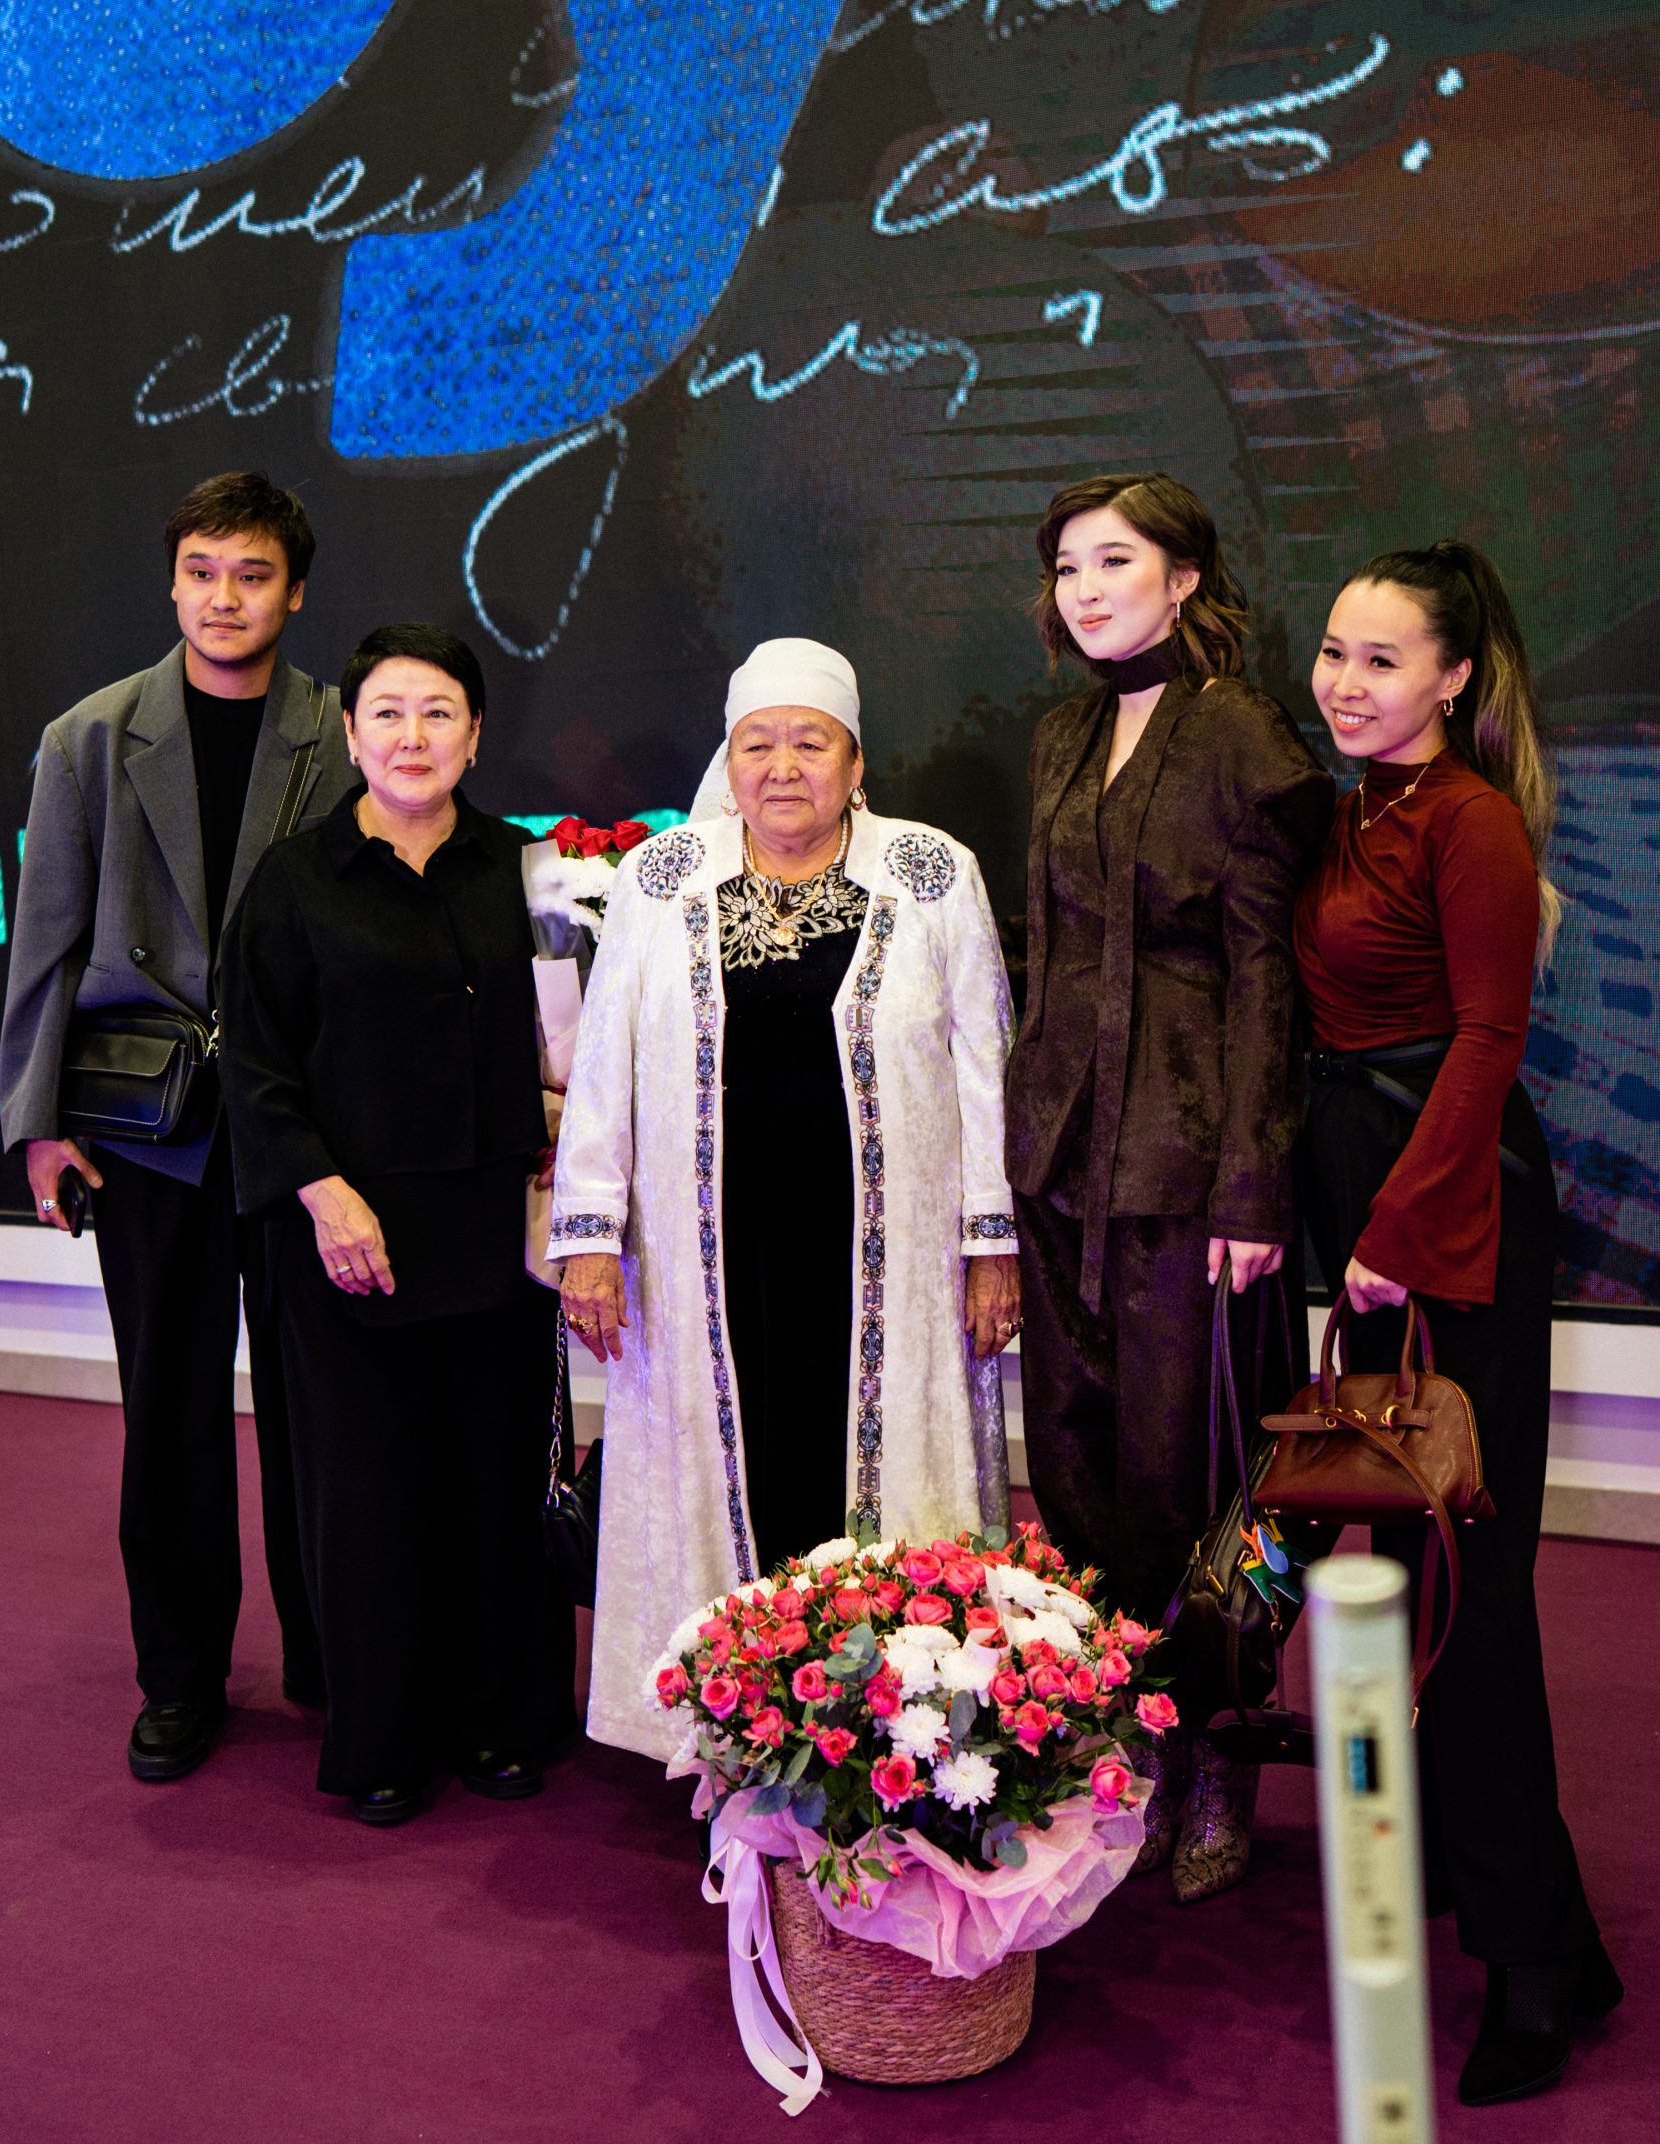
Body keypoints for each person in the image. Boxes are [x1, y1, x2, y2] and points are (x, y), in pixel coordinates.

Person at [548, 637, 1017, 1762]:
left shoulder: (932, 872)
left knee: (877, 1477)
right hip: (711, 1257)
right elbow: (604, 1063)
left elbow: (987, 1065)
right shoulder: (663, 878)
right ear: (730, 757)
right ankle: (731, 1729)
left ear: (856, 761)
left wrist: (991, 1240)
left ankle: (890, 1730)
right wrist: (590, 1235)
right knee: (726, 1467)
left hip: (888, 1260)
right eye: (757, 743)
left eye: (811, 742)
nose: (783, 766)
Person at [1294, 541, 1621, 2108]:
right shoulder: (1360, 805)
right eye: (1332, 652)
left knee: (1465, 1601)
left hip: (1451, 1224)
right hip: (1372, 1213)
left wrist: (1398, 1231)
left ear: (1450, 677)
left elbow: (1487, 1038)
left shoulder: (1469, 819)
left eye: (1379, 659)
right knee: (1404, 1572)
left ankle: (1531, 1971)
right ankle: (1530, 1915)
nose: (1343, 682)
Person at [1007, 474, 1333, 1901]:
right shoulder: (1061, 733)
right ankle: (1121, 1736)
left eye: (1114, 561)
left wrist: (1252, 1186)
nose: (1084, 589)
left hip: (1194, 1170)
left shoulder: (1243, 735)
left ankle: (1220, 1750)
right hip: (1063, 1159)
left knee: (1204, 1476)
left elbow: (1270, 982)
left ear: (1184, 575)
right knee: (1077, 1464)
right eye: (1067, 566)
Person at [0, 469, 351, 1783]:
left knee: (320, 1408)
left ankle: (329, 1654)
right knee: (169, 1410)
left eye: (252, 575)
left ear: (294, 592)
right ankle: (181, 1676)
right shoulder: (86, 738)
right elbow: (45, 943)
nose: (223, 597)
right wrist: (41, 1124)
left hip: (303, 1126)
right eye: (202, 571)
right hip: (147, 1129)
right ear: (172, 581)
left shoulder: (340, 730)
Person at [217, 624, 574, 1826]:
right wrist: (326, 1194)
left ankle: (505, 1719)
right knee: (366, 1495)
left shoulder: (530, 872)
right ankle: (379, 1738)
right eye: (387, 712)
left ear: (475, 734)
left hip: (496, 1236)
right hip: (346, 1240)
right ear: (351, 731)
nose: (412, 736)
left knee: (493, 1483)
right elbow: (256, 1066)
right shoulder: (293, 878)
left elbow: (573, 1037)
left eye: (438, 713)